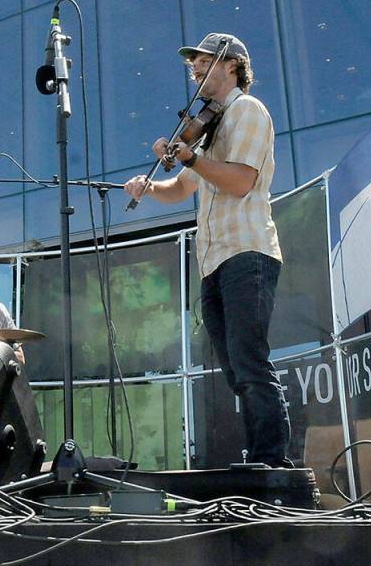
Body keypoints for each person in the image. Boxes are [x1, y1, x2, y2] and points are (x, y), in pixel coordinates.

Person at [124, 33, 289, 467]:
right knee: (236, 370)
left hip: (247, 251)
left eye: (203, 61)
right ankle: (259, 458)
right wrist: (150, 186)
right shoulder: (209, 125)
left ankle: (271, 463)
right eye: (193, 63)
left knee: (249, 363)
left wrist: (190, 157)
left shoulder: (247, 110)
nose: (194, 68)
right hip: (213, 261)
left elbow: (239, 181)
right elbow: (181, 188)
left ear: (232, 64)